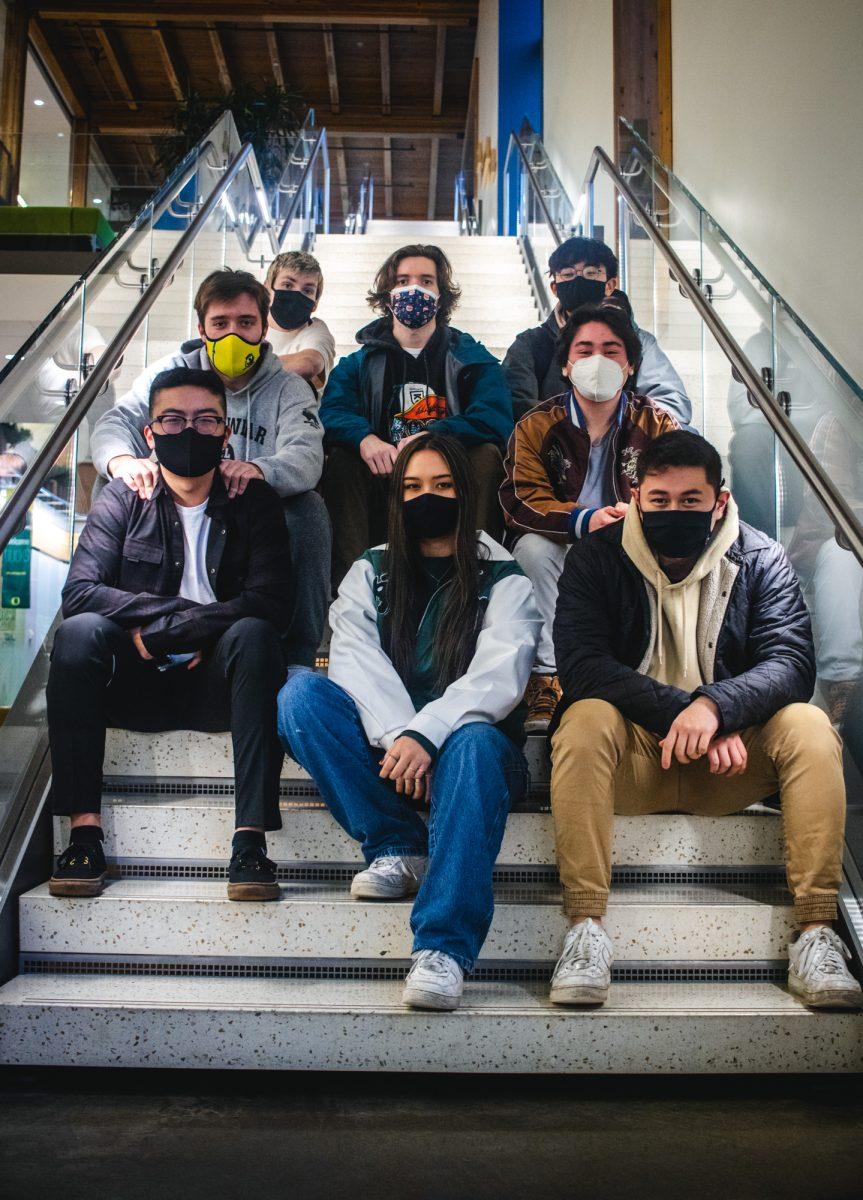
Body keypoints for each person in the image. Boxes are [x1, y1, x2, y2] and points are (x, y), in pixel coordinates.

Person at [547, 430, 862, 1011]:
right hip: (636, 762)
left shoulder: (761, 556)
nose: (674, 511)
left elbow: (791, 663)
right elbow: (584, 666)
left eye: (690, 500)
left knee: (810, 726)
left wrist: (717, 707)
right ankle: (585, 928)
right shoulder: (596, 556)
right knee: (586, 717)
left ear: (718, 500)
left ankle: (817, 930)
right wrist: (687, 714)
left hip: (731, 766)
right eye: (660, 500)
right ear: (637, 496)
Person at [278, 432, 540, 1011]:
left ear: (465, 495)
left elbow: (501, 672)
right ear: (396, 497)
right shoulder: (368, 571)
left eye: (444, 486)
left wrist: (429, 733)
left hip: (474, 758)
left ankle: (443, 947)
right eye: (414, 486)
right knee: (300, 697)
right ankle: (396, 842)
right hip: (393, 755)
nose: (429, 497)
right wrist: (403, 737)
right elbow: (353, 660)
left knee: (472, 740)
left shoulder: (505, 576)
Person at [47, 367, 292, 901]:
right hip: (135, 685)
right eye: (174, 420)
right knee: (78, 635)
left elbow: (272, 603)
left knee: (254, 634)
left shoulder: (253, 501)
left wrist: (165, 634)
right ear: (150, 434)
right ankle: (84, 835)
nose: (190, 432)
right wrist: (177, 618)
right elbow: (80, 594)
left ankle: (249, 843)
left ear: (227, 433)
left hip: (217, 687)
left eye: (206, 420)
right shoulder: (122, 498)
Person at [89, 268, 329, 669]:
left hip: (246, 517)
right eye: (220, 323)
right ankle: (107, 638)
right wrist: (122, 461)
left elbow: (306, 455)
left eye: (246, 322)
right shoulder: (171, 373)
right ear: (202, 329)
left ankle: (295, 657)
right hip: (177, 509)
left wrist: (259, 470)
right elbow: (116, 422)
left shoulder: (289, 388)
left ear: (264, 329)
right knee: (109, 485)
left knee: (309, 512)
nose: (233, 334)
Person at [500, 304, 679, 731]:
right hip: (564, 542)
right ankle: (547, 679)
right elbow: (521, 500)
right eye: (584, 350)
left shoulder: (657, 425)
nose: (597, 360)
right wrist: (585, 520)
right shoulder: (537, 425)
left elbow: (677, 492)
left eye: (611, 350)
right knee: (532, 548)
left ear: (630, 364)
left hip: (631, 544)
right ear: (565, 364)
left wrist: (631, 520)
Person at [319, 243, 514, 586]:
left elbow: (495, 417)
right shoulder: (360, 363)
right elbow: (333, 410)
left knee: (487, 456)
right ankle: (356, 586)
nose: (414, 289)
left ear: (441, 296)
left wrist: (437, 436)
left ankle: (474, 577)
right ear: (388, 294)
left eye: (426, 281)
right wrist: (365, 439)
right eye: (403, 280)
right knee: (342, 460)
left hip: (447, 479)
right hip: (386, 477)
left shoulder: (470, 357)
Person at [502, 235, 691, 424]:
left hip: (626, 447)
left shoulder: (641, 343)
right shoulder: (530, 344)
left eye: (591, 273)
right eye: (567, 274)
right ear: (555, 288)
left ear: (610, 285)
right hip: (553, 447)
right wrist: (573, 429)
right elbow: (514, 405)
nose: (579, 279)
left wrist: (614, 428)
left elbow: (672, 406)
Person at [264, 250, 336, 393]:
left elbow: (307, 365)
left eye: (307, 290)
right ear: (266, 289)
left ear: (315, 303)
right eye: (288, 285)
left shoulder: (316, 330)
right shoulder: (249, 324)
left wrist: (242, 368)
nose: (297, 295)